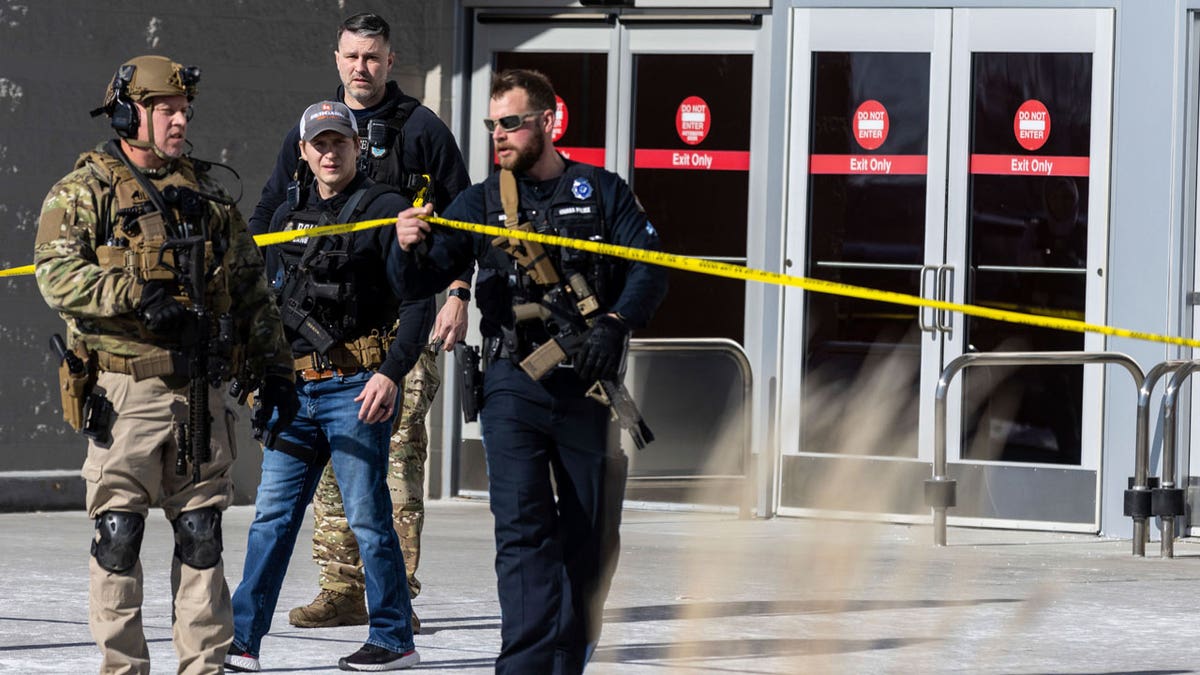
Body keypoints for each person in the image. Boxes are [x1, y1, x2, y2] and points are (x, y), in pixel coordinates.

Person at [394, 69, 668, 673]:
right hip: (511, 382)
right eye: (492, 125)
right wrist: (408, 244)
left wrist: (615, 323)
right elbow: (424, 273)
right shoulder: (484, 200)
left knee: (591, 534)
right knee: (522, 531)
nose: (499, 136)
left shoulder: (601, 190)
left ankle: (570, 650)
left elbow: (650, 268)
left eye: (511, 123)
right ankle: (523, 662)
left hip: (587, 385)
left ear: (548, 122)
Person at [32, 55, 298, 675]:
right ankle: (123, 668)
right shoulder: (86, 190)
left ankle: (203, 666)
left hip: (200, 391)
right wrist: (138, 297)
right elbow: (56, 275)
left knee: (203, 535)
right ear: (130, 114)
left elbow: (251, 287)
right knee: (118, 537)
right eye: (166, 111)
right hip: (126, 393)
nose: (180, 121)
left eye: (184, 110)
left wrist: (277, 371)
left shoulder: (206, 195)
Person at [249, 11, 472, 633]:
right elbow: (268, 211)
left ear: (390, 61)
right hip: (320, 333)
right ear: (337, 58)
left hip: (401, 319)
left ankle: (394, 595)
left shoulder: (422, 128)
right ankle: (343, 590)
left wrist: (457, 291)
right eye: (351, 56)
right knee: (330, 468)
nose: (361, 68)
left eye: (372, 57)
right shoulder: (314, 130)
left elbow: (462, 218)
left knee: (394, 462)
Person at [225, 100, 426, 673]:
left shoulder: (385, 210)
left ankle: (392, 638)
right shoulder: (286, 214)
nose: (329, 152)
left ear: (358, 147)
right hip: (293, 389)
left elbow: (417, 301)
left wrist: (391, 373)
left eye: (340, 141)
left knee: (367, 516)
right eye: (319, 143)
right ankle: (243, 642)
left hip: (356, 386)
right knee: (272, 518)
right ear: (304, 151)